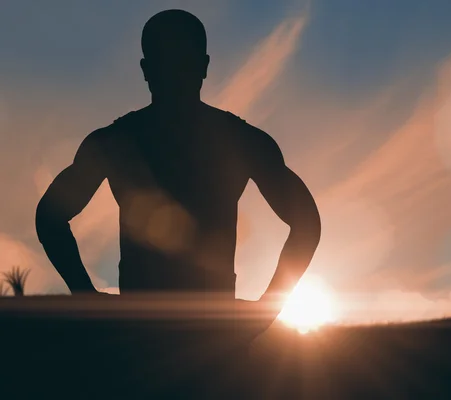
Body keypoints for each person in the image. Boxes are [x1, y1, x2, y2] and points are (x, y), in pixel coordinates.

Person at [35, 9, 322, 335]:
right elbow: (50, 216)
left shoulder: (118, 141)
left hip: (191, 335)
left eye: (180, 62)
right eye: (166, 62)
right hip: (167, 334)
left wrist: (267, 309)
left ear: (202, 66)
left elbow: (306, 222)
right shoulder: (241, 142)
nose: (174, 74)